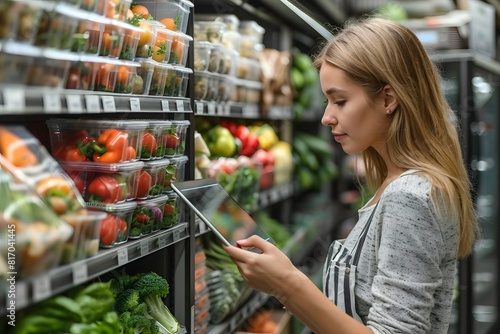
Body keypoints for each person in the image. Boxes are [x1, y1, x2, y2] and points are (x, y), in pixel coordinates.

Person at [224, 17, 479, 334]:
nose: (326, 117)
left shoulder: (408, 197)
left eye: (340, 101)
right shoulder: (399, 184)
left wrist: (287, 285)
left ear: (388, 99)